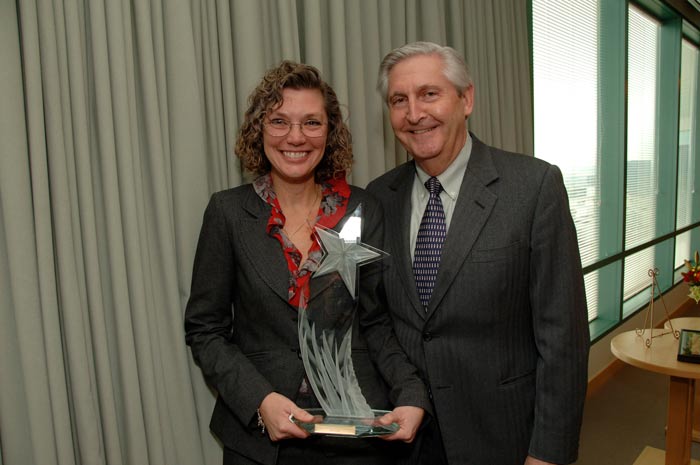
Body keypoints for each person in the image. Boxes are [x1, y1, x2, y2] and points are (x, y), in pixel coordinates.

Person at [184, 60, 429, 465]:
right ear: (258, 129)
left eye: (312, 123)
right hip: (261, 443)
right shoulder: (227, 213)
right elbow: (205, 329)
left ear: (329, 132)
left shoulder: (363, 208)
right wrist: (259, 399)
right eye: (279, 121)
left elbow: (376, 322)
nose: (295, 137)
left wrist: (411, 394)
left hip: (356, 436)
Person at [366, 42, 590, 465]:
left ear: (466, 99)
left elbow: (563, 338)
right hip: (410, 440)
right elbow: (377, 317)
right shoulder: (380, 197)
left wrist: (548, 454)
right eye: (399, 100)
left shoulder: (533, 187)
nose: (414, 114)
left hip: (505, 437)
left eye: (429, 94)